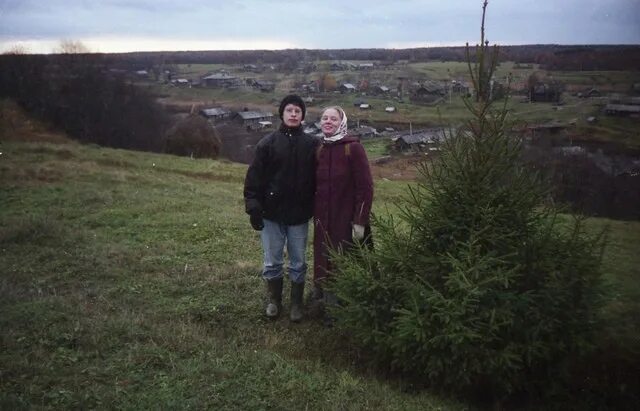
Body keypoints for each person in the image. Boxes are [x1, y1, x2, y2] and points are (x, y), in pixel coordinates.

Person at [243, 95, 318, 322]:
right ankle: (274, 301)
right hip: (271, 214)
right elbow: (253, 180)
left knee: (298, 262)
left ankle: (296, 304)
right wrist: (254, 207)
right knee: (272, 260)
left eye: (297, 111)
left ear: (302, 116)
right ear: (282, 114)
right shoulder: (267, 144)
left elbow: (321, 179)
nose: (293, 114)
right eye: (289, 110)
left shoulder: (313, 146)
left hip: (299, 215)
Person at [312, 106, 373, 313]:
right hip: (322, 218)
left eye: (334, 119)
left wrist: (360, 221)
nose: (328, 122)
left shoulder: (353, 148)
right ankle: (322, 295)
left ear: (342, 122)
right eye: (325, 118)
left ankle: (338, 307)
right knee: (322, 255)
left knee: (342, 258)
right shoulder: (321, 148)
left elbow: (365, 188)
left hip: (345, 218)